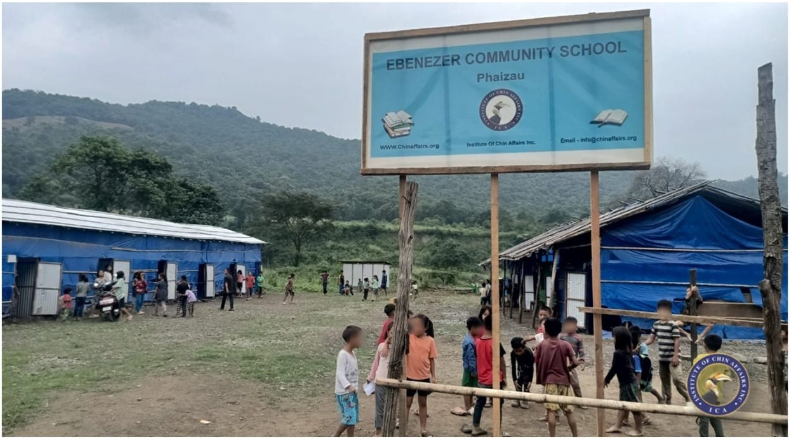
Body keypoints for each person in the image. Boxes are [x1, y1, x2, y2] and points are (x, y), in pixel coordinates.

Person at [534, 317, 580, 437]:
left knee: (551, 411)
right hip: (564, 381)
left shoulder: (542, 344)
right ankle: (575, 436)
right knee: (569, 412)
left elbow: (537, 359)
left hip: (550, 381)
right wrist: (569, 368)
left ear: (546, 332)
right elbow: (575, 361)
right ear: (560, 330)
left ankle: (552, 436)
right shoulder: (565, 344)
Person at [463, 314, 506, 437]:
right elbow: (501, 361)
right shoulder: (495, 342)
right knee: (498, 404)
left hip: (482, 378)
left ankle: (475, 426)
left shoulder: (477, 342)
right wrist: (505, 377)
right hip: (495, 378)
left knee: (479, 404)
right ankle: (498, 430)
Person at [646, 299, 690, 404]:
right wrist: (642, 344)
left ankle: (688, 397)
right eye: (661, 311)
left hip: (673, 357)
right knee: (665, 381)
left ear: (670, 312)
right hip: (662, 357)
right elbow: (651, 338)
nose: (663, 313)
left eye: (666, 311)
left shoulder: (672, 325)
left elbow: (677, 340)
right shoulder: (656, 325)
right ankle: (667, 400)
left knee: (677, 379)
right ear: (657, 311)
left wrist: (675, 355)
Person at [605, 326, 643, 437]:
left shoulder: (618, 353)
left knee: (634, 406)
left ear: (619, 339)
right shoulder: (628, 351)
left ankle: (639, 429)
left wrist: (606, 380)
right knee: (622, 404)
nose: (613, 339)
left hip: (628, 383)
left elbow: (614, 368)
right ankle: (617, 425)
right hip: (628, 382)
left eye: (614, 337)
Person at [406, 314, 437, 437]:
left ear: (425, 328)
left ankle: (423, 429)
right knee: (407, 403)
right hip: (409, 376)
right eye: (413, 325)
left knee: (423, 403)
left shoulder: (430, 341)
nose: (415, 327)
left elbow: (432, 359)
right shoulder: (408, 337)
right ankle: (404, 424)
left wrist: (433, 375)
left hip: (424, 377)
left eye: (418, 325)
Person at [695, 334, 726, 437]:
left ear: (705, 345)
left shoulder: (699, 358)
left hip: (703, 396)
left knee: (704, 420)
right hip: (716, 396)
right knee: (716, 419)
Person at [334, 325, 362, 437]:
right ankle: (335, 435)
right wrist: (348, 386)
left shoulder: (352, 353)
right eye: (360, 338)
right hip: (345, 393)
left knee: (353, 417)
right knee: (349, 417)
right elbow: (339, 373)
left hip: (352, 392)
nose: (361, 341)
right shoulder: (343, 355)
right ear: (352, 339)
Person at [453, 316, 483, 417]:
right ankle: (467, 406)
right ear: (472, 328)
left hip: (471, 367)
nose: (479, 330)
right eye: (478, 328)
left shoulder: (470, 339)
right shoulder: (469, 342)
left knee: (470, 387)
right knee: (466, 387)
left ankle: (469, 405)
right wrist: (473, 370)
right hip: (470, 368)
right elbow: (471, 358)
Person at [368, 321, 393, 437]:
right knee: (379, 408)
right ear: (388, 332)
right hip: (381, 380)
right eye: (392, 332)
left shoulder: (401, 348)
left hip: (393, 382)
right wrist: (371, 377)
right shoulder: (381, 347)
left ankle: (388, 430)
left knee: (391, 407)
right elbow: (376, 362)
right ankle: (378, 431)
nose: (393, 335)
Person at [629, 324, 662, 405]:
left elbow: (645, 356)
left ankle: (660, 398)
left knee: (648, 387)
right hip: (635, 369)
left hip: (644, 369)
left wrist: (637, 353)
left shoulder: (642, 346)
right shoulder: (630, 345)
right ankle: (640, 404)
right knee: (637, 388)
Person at [560, 317, 586, 403]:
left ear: (576, 326)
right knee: (561, 383)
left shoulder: (578, 338)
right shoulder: (561, 336)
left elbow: (581, 350)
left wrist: (582, 360)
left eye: (572, 326)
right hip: (561, 363)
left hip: (572, 364)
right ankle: (561, 400)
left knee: (575, 384)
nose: (569, 328)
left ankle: (579, 401)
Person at [510, 336, 534, 409]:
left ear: (524, 347)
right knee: (518, 383)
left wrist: (530, 380)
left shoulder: (529, 353)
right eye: (516, 351)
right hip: (520, 369)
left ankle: (525, 399)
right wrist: (514, 380)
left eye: (520, 351)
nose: (518, 353)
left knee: (526, 384)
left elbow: (531, 367)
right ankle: (517, 398)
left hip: (527, 369)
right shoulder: (512, 353)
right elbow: (513, 366)